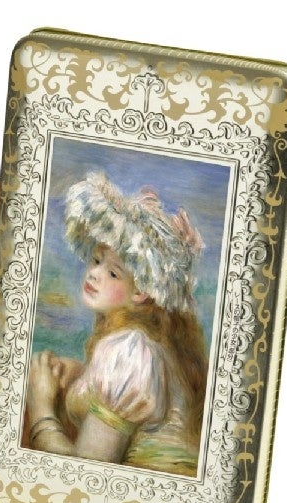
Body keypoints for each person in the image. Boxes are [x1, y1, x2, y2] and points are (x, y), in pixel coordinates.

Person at [25, 172, 207, 477]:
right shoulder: (147, 343)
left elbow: (86, 475)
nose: (94, 274)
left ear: (140, 292)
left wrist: (41, 405)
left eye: (113, 273)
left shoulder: (128, 350)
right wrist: (81, 375)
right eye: (97, 261)